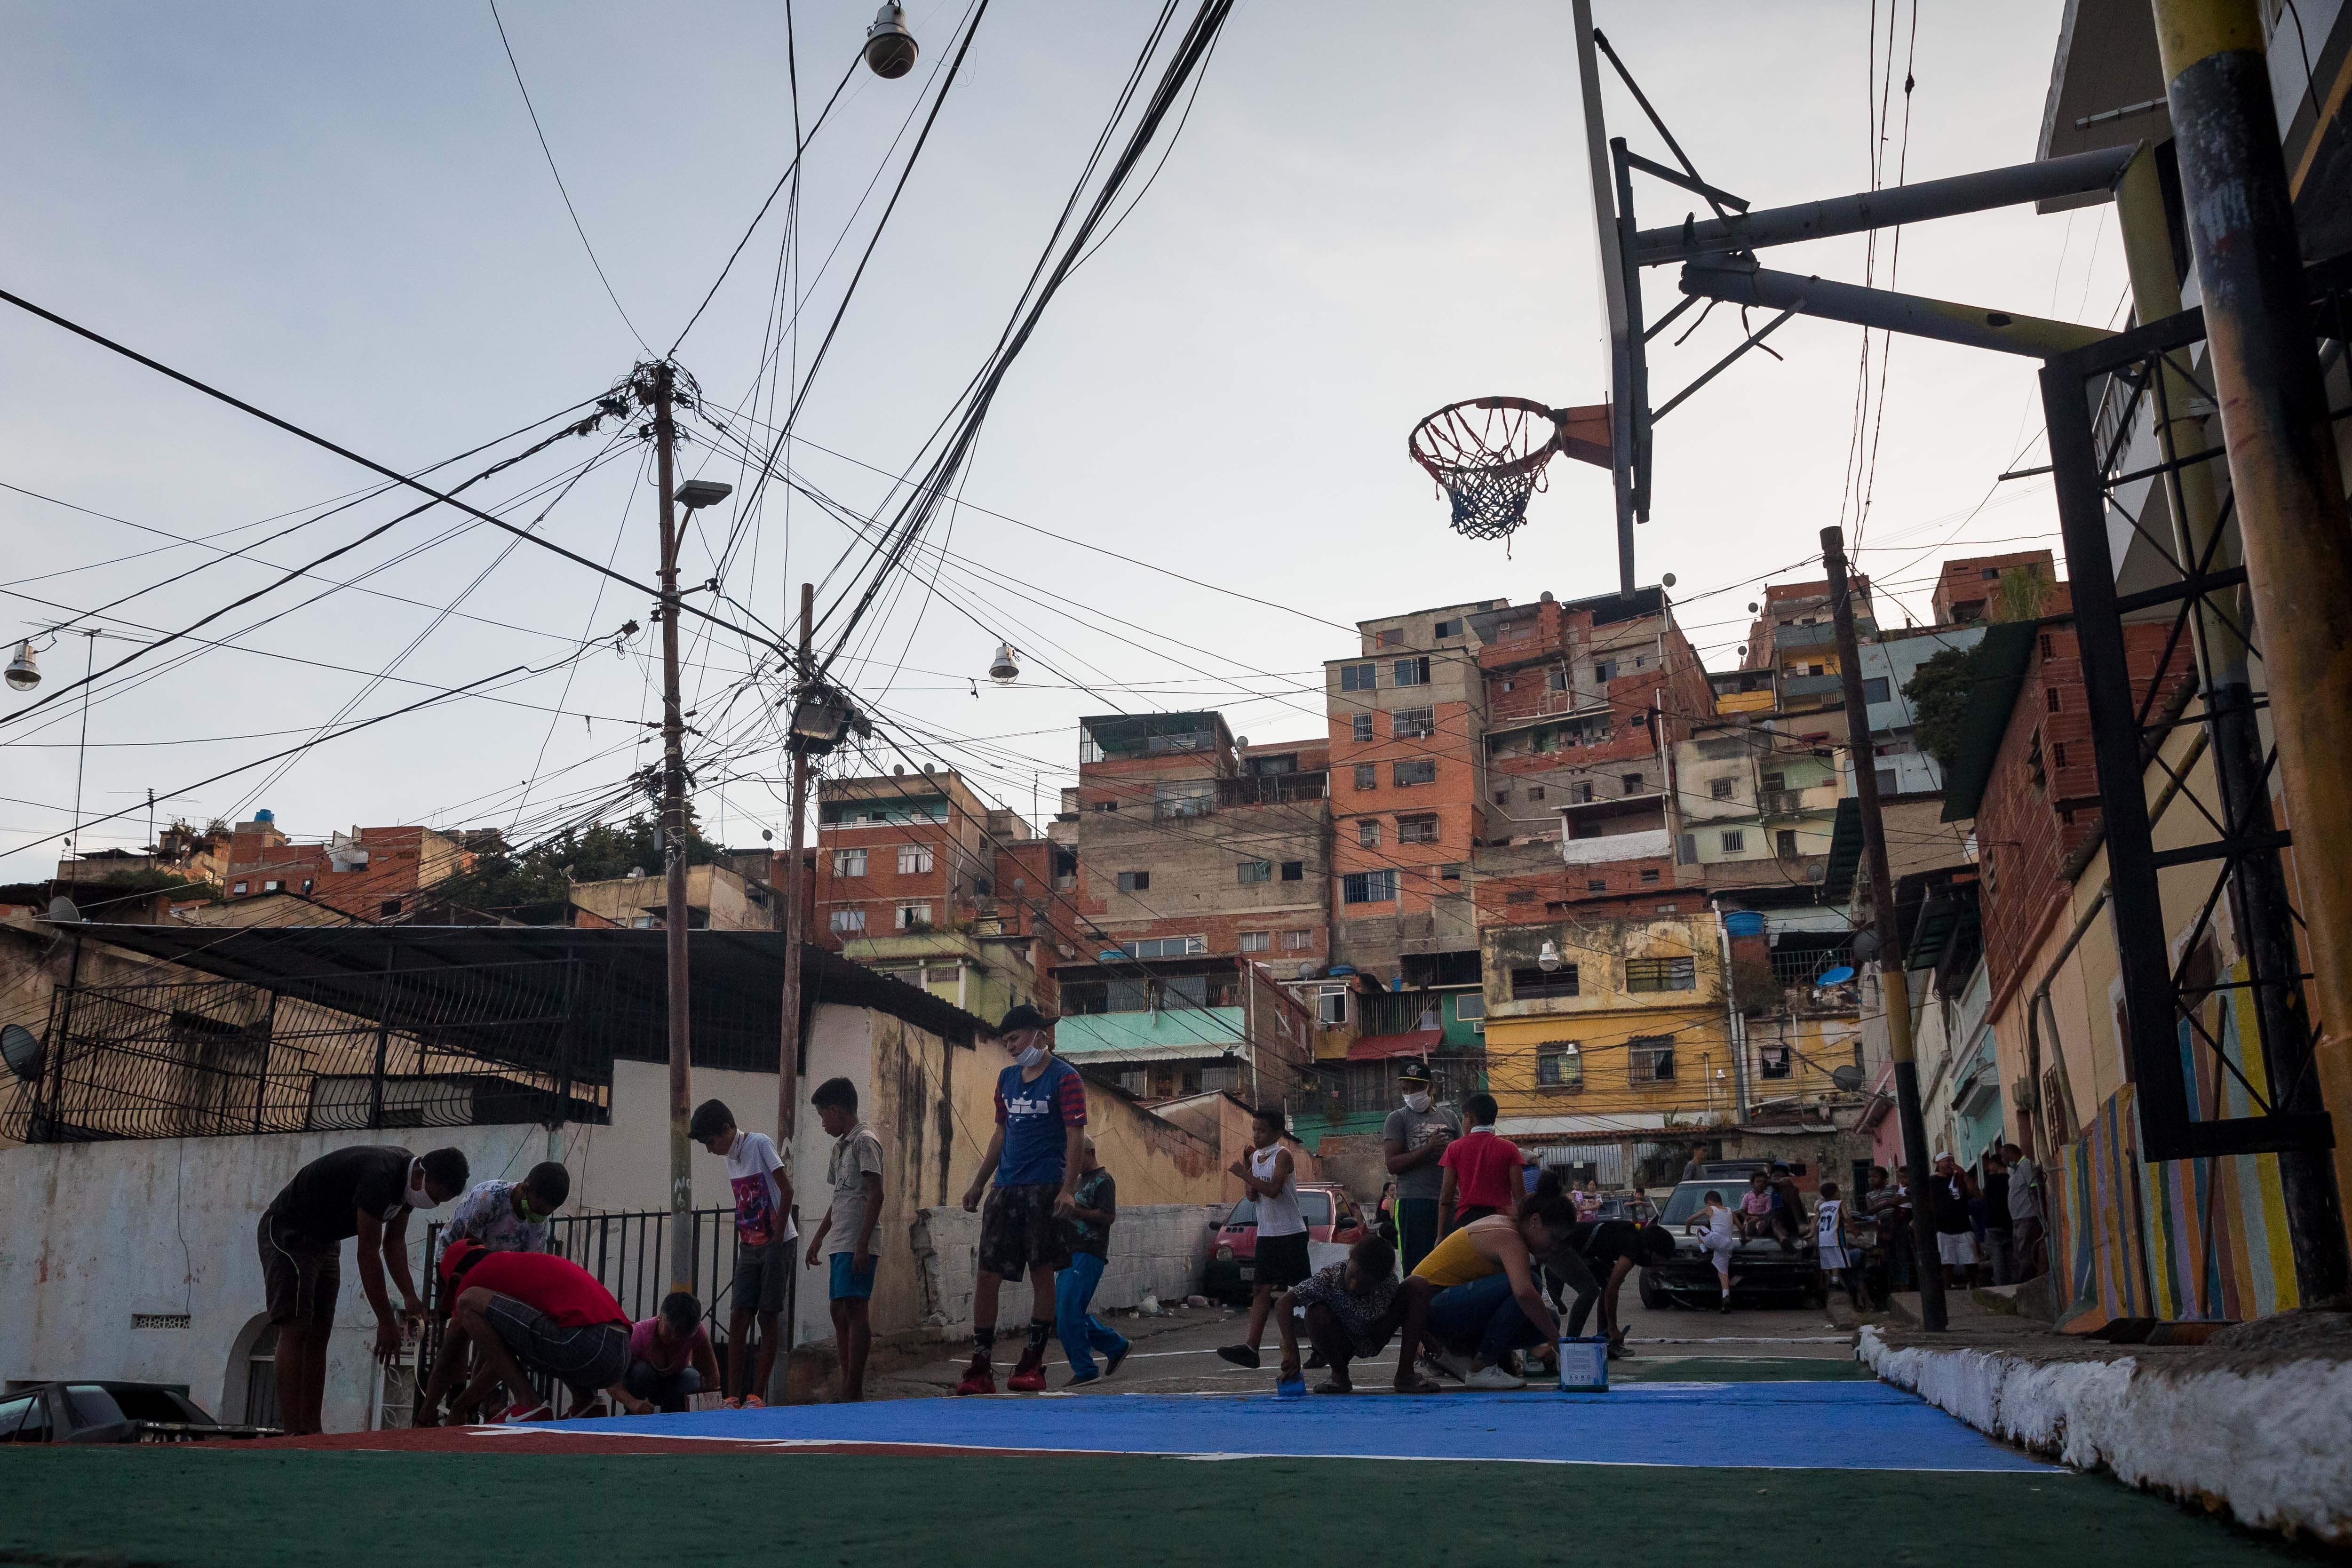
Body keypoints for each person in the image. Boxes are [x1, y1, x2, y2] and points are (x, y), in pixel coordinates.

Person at [257, 1143, 469, 1435]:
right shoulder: (379, 1175)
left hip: (326, 1241)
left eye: (439, 1202)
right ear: (421, 1173)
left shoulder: (408, 1185)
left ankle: (312, 1431)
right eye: (433, 1196)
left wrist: (410, 1297)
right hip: (289, 1231)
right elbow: (368, 1253)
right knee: (296, 1326)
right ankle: (292, 1433)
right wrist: (385, 1320)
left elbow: (393, 1243)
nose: (431, 1203)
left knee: (320, 1333)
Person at [957, 1005, 1087, 1396]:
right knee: (987, 1274)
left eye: (1014, 1039)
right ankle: (981, 1363)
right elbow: (1000, 1134)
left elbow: (1076, 1136)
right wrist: (980, 1183)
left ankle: (1033, 1360)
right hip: (1006, 1188)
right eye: (1006, 1040)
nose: (1010, 1047)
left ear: (1039, 1035)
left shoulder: (1066, 1078)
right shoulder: (1006, 1079)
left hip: (1045, 1187)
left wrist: (1069, 1188)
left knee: (1041, 1271)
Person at [418, 1239, 653, 1424]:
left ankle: (528, 1403)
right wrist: (467, 1402)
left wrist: (432, 1414)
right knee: (555, 1319)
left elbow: (450, 1355)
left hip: (586, 1345)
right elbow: (502, 1354)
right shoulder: (514, 1268)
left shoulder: (472, 1281)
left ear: (457, 1279)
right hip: (620, 1353)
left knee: (468, 1301)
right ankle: (586, 1403)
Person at [1393, 1182, 1592, 1391]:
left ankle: (1461, 1354)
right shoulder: (1509, 1237)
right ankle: (1481, 1367)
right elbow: (1523, 1294)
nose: (1554, 1248)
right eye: (1554, 1240)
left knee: (1548, 1319)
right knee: (1530, 1285)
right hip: (1430, 1309)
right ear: (1535, 1221)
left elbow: (1506, 1307)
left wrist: (1544, 1342)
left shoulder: (1511, 1230)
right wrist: (1560, 1344)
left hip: (1445, 1308)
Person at [689, 1098, 796, 1408]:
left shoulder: (759, 1143)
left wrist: (777, 1237)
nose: (711, 1150)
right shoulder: (729, 1159)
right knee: (738, 1315)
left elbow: (786, 1189)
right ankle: (732, 1395)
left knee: (767, 1314)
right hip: (749, 1244)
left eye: (711, 1142)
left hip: (777, 1241)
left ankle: (757, 1394)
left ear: (726, 1130)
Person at [802, 1077, 883, 1402]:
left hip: (857, 1238)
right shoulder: (840, 1147)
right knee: (838, 1308)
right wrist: (819, 1237)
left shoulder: (865, 1141)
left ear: (836, 1110)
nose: (823, 1123)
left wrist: (863, 1244)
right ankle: (847, 1377)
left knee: (854, 1307)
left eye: (823, 1116)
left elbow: (876, 1194)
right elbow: (839, 1198)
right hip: (841, 1237)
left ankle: (854, 1385)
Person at [1218, 1106, 1311, 1381]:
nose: (1256, 1136)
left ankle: (1320, 1344)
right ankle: (1251, 1348)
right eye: (1254, 1130)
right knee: (1261, 1289)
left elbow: (1272, 1191)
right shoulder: (1257, 1157)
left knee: (1304, 1290)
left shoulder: (1283, 1156)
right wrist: (1249, 1167)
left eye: (1262, 1131)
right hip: (1267, 1233)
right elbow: (1253, 1196)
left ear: (1277, 1133)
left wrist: (1244, 1174)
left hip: (1290, 1232)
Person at [1274, 1234, 1401, 1394]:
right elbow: (1282, 1304)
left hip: (1374, 1336)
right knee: (1315, 1312)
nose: (1354, 1285)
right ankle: (1339, 1374)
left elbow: (1404, 1310)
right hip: (1342, 1340)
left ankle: (1406, 1374)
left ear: (1379, 1282)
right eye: (1352, 1276)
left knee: (1413, 1287)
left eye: (1363, 1283)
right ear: (1349, 1261)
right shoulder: (1329, 1278)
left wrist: (1424, 1340)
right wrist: (1293, 1351)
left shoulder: (1389, 1284)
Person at [1057, 1137, 1132, 1385]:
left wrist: (1075, 1211)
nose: (1071, 1162)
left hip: (1089, 1252)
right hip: (1071, 1253)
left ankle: (1086, 1369)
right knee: (1067, 1312)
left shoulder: (1103, 1180)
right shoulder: (1078, 1182)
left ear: (1088, 1152)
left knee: (1068, 1311)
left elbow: (1108, 1216)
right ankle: (1116, 1346)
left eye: (1075, 1156)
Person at [1382, 1062, 1461, 1274]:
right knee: (1416, 1268)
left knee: (1450, 1265)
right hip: (1413, 1202)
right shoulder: (1397, 1119)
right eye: (1405, 1089)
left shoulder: (1450, 1118)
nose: (1410, 1094)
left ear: (1430, 1088)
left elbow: (1463, 1159)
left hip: (1449, 1202)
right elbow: (1393, 1165)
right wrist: (1429, 1149)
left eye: (1416, 1088)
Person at [1567, 1213, 1678, 1357]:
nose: (1661, 1268)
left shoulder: (1632, 1239)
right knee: (1591, 1290)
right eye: (1660, 1260)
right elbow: (1613, 1290)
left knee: (1605, 1284)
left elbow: (1609, 1282)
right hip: (1564, 1246)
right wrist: (1613, 1328)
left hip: (1584, 1249)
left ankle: (1605, 1341)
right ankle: (1568, 1345)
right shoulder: (1633, 1246)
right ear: (1648, 1250)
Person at [442, 1162, 569, 1257]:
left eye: (547, 1213)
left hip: (494, 1268)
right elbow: (468, 1248)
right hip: (454, 1255)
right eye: (538, 1209)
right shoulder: (489, 1198)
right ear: (525, 1190)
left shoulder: (538, 1221)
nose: (540, 1216)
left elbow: (532, 1262)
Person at [623, 1291, 722, 1413]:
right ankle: (633, 1416)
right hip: (644, 1386)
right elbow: (612, 1381)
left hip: (675, 1384)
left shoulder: (698, 1333)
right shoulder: (639, 1335)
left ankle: (675, 1419)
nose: (674, 1338)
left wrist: (713, 1409)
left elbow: (712, 1373)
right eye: (669, 1331)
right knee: (641, 1372)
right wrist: (632, 1403)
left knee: (692, 1379)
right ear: (661, 1317)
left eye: (682, 1336)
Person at [1438, 1092, 1523, 1230]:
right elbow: (1520, 1196)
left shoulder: (1454, 1148)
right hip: (1501, 1221)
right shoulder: (1510, 1148)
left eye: (1463, 1118)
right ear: (1494, 1121)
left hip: (1467, 1221)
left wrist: (1440, 1234)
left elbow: (1446, 1198)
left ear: (1469, 1118)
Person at [1930, 1152, 1982, 1289]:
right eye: (1947, 1161)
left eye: (1952, 1161)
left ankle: (1974, 1286)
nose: (1950, 1164)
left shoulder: (1960, 1180)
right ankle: (1947, 1289)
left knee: (1971, 1260)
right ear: (1938, 1164)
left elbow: (1977, 1195)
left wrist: (1965, 1175)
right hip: (1943, 1227)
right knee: (1946, 1262)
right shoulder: (1932, 1181)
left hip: (1963, 1225)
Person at [1815, 1180, 1865, 1312]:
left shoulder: (1821, 1207)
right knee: (1840, 1260)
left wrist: (1810, 1234)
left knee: (1830, 1262)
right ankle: (1835, 1283)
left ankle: (1833, 1282)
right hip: (1835, 1238)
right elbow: (1848, 1218)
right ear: (1837, 1192)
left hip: (1824, 1238)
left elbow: (1815, 1221)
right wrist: (1854, 1230)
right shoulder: (1840, 1204)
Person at [1864, 1164, 1916, 1292]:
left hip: (1898, 1222)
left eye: (1875, 1177)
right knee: (1889, 1257)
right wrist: (1887, 1203)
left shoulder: (1893, 1189)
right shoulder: (1869, 1195)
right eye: (1870, 1177)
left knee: (1901, 1254)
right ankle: (1895, 1285)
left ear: (1885, 1179)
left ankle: (1905, 1285)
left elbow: (1900, 1202)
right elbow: (1871, 1211)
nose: (1871, 1179)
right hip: (1884, 1225)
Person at [1685, 1189, 1738, 1313]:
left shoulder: (1710, 1209)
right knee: (1723, 1272)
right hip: (1727, 1244)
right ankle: (1726, 1297)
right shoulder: (1730, 1210)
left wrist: (1687, 1232)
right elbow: (1741, 1227)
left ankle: (1704, 1254)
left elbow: (1689, 1221)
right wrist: (1745, 1237)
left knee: (1699, 1229)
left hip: (1714, 1240)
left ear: (1709, 1203)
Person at [2004, 1141, 2046, 1281]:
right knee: (2019, 1253)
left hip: (2028, 1217)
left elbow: (2035, 1188)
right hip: (2018, 1219)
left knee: (2026, 1253)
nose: (2003, 1161)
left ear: (2011, 1154)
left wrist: (2040, 1212)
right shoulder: (2015, 1171)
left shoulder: (2026, 1165)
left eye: (2004, 1157)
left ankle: (2027, 1282)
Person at [1980, 1150, 2015, 1285]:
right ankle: (2013, 1285)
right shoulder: (2010, 1179)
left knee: (1998, 1261)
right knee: (2010, 1258)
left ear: (1994, 1165)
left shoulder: (1992, 1180)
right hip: (2010, 1223)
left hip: (1994, 1224)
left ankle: (2001, 1287)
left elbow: (1982, 1196)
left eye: (1990, 1165)